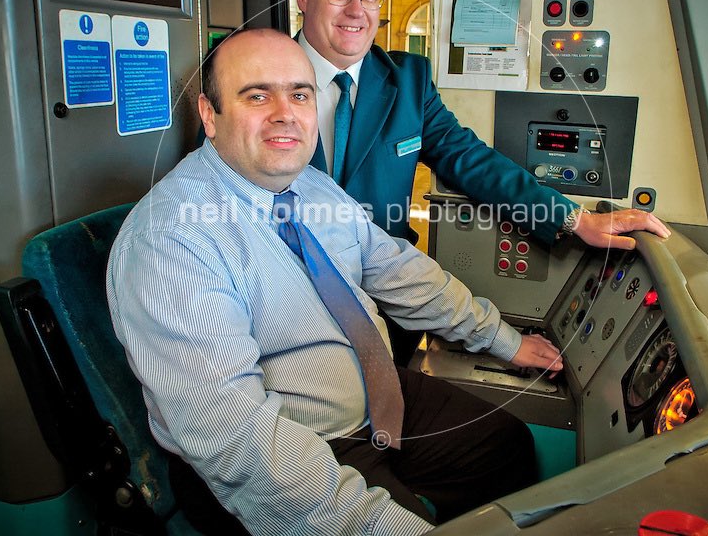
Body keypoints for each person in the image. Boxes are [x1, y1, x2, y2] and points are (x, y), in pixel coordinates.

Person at [107, 29, 568, 536]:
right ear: (210, 115)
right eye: (257, 94)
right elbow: (239, 444)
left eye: (300, 94)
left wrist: (501, 338)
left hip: (377, 394)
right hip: (291, 446)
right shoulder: (172, 238)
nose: (285, 112)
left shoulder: (309, 182)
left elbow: (395, 267)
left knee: (505, 447)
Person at [293, 0, 671, 361]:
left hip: (385, 313)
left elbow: (468, 158)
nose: (357, 12)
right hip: (290, 316)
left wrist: (573, 218)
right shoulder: (256, 78)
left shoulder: (408, 81)